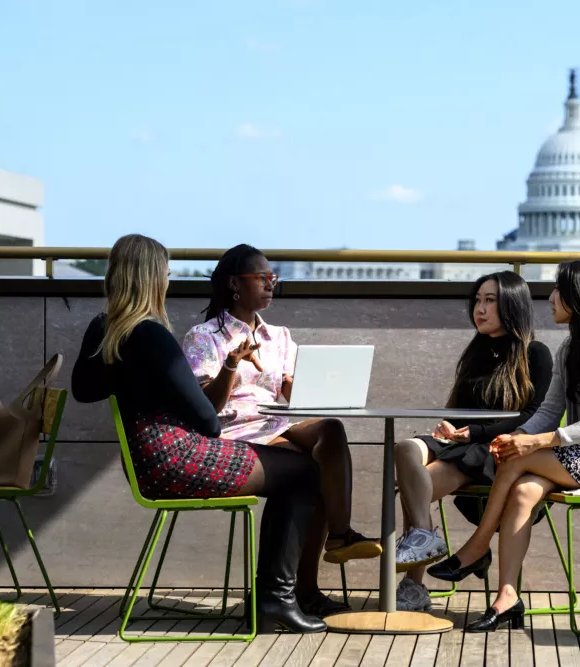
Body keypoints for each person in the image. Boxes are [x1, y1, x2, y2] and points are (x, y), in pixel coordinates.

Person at [71, 234, 326, 634]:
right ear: (155, 278)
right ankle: (276, 600)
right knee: (304, 472)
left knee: (297, 468)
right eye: (167, 274)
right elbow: (208, 421)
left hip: (144, 461)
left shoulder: (104, 330)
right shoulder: (153, 336)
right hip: (176, 459)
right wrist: (223, 370)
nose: (169, 281)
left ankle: (278, 599)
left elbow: (84, 391)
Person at [427, 259, 580, 633]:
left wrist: (533, 443)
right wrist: (519, 438)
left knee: (520, 459)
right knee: (522, 490)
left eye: (559, 290)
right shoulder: (571, 346)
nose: (551, 297)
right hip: (574, 455)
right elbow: (550, 411)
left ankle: (476, 546)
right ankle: (507, 598)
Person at [182, 243, 380, 618]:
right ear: (234, 284)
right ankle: (302, 591)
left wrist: (301, 387)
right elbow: (206, 408)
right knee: (311, 472)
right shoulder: (204, 337)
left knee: (332, 431)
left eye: (274, 278)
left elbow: (289, 396)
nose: (272, 284)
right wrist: (230, 365)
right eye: (263, 278)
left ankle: (339, 534)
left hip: (277, 423)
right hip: (237, 433)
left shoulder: (281, 336)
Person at [392, 271, 553, 612]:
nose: (480, 309)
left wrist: (475, 432)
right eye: (478, 300)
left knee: (413, 486)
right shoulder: (476, 350)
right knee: (406, 450)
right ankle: (424, 537)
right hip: (462, 447)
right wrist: (450, 426)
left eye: (490, 301)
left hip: (498, 453)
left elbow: (534, 416)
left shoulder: (535, 353)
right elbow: (463, 411)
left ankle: (413, 585)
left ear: (512, 304)